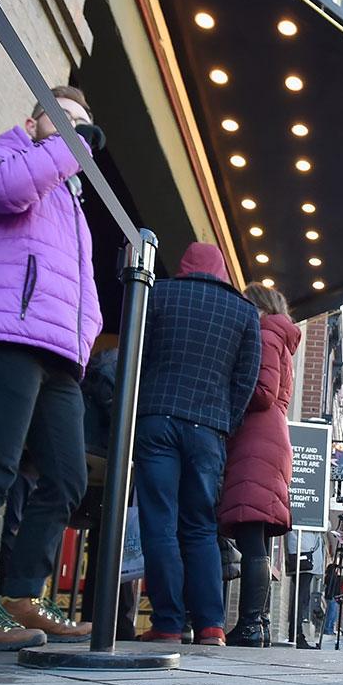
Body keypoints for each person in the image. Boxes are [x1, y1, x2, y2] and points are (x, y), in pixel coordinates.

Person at [0, 85, 103, 649]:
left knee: (68, 477)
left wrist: (87, 334)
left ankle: (20, 593)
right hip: (10, 331)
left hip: (59, 353)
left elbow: (82, 284)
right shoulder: (6, 153)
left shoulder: (70, 197)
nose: (76, 133)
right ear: (34, 121)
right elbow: (2, 191)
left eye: (82, 125)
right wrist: (64, 148)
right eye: (65, 120)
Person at [134, 243, 260, 646]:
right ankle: (211, 625)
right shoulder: (243, 311)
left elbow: (140, 354)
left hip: (157, 417)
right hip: (208, 428)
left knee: (160, 522)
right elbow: (246, 378)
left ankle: (169, 624)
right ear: (221, 271)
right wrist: (225, 420)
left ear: (184, 267)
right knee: (202, 526)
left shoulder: (159, 293)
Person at [217, 282, 300, 647]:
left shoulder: (266, 332)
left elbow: (262, 391)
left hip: (256, 437)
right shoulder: (281, 335)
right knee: (259, 541)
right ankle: (260, 622)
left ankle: (250, 623)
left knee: (253, 537)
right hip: (271, 438)